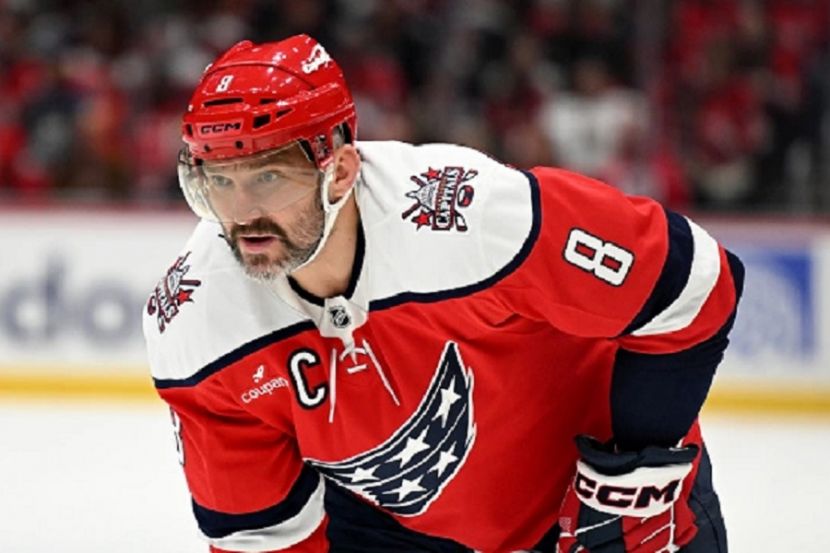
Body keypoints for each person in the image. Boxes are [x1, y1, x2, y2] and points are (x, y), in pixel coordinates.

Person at [143, 35, 743, 553]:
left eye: (268, 177)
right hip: (394, 529)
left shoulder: (473, 217)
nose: (241, 215)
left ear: (341, 171)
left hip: (598, 506)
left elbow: (695, 282)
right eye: (218, 181)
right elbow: (262, 535)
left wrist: (631, 478)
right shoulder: (198, 323)